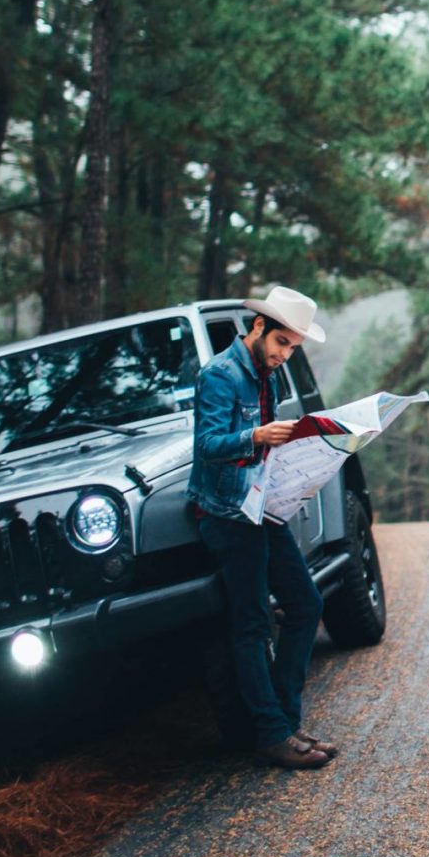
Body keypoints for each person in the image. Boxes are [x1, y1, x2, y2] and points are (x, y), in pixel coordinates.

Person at [190, 285, 334, 770]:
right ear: (257, 327)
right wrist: (255, 435)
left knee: (306, 603)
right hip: (227, 514)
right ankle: (273, 733)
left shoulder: (264, 372)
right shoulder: (220, 375)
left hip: (261, 506)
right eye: (282, 344)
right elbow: (207, 445)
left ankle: (285, 724)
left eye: (293, 347)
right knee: (251, 621)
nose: (285, 355)